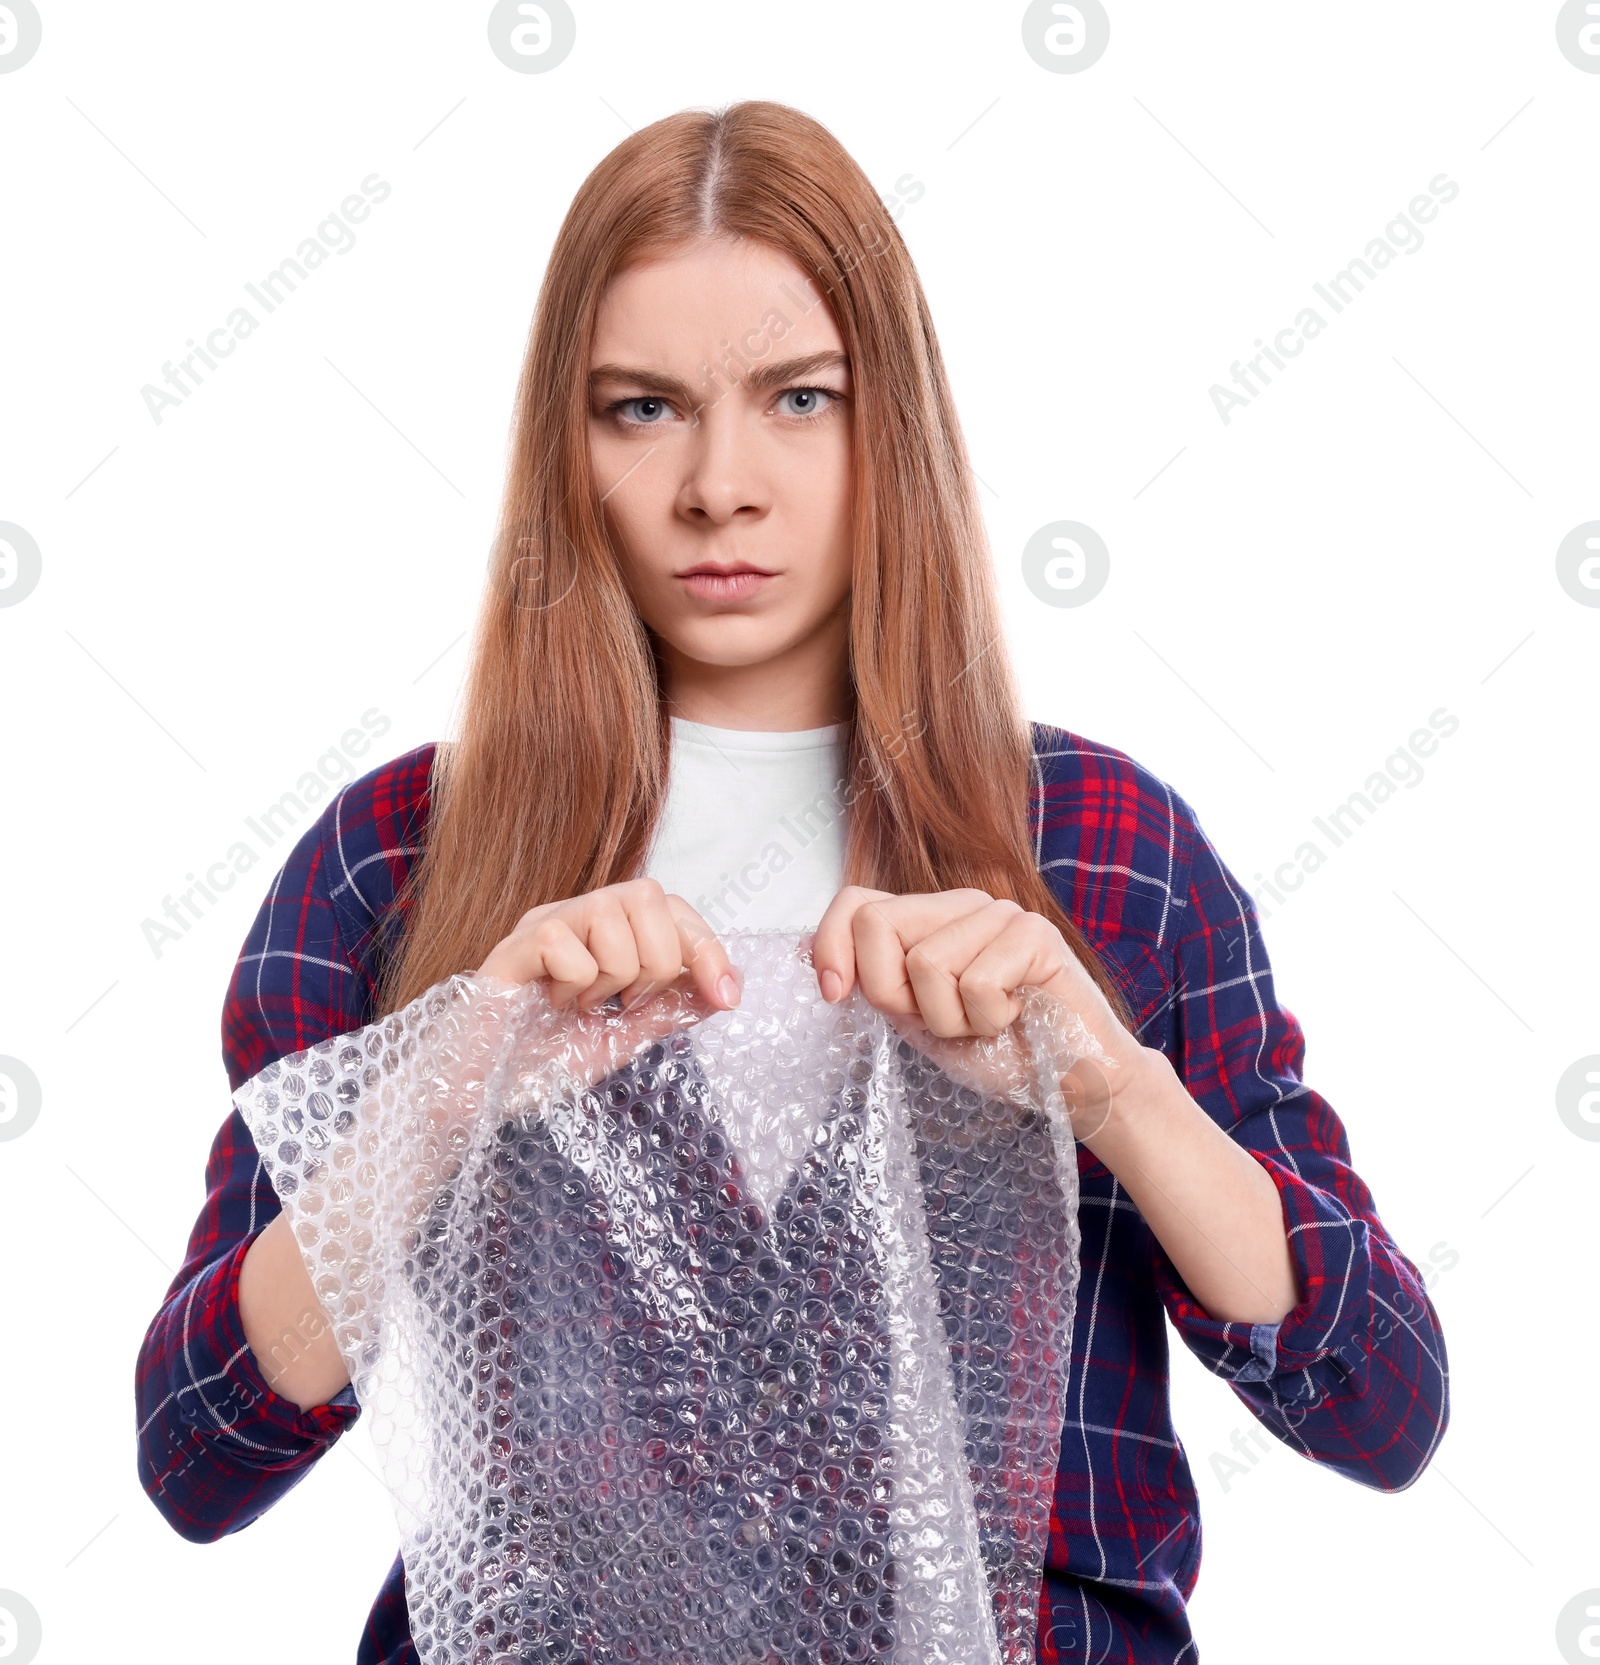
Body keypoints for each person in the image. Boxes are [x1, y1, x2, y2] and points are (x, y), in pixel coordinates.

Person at [134, 100, 1448, 1664]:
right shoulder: (401, 857)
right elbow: (197, 1456)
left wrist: (1106, 1084)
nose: (719, 484)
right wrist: (450, 1077)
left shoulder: (1102, 847)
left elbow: (1385, 1406)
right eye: (642, 409)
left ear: (888, 421)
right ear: (570, 443)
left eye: (797, 398)